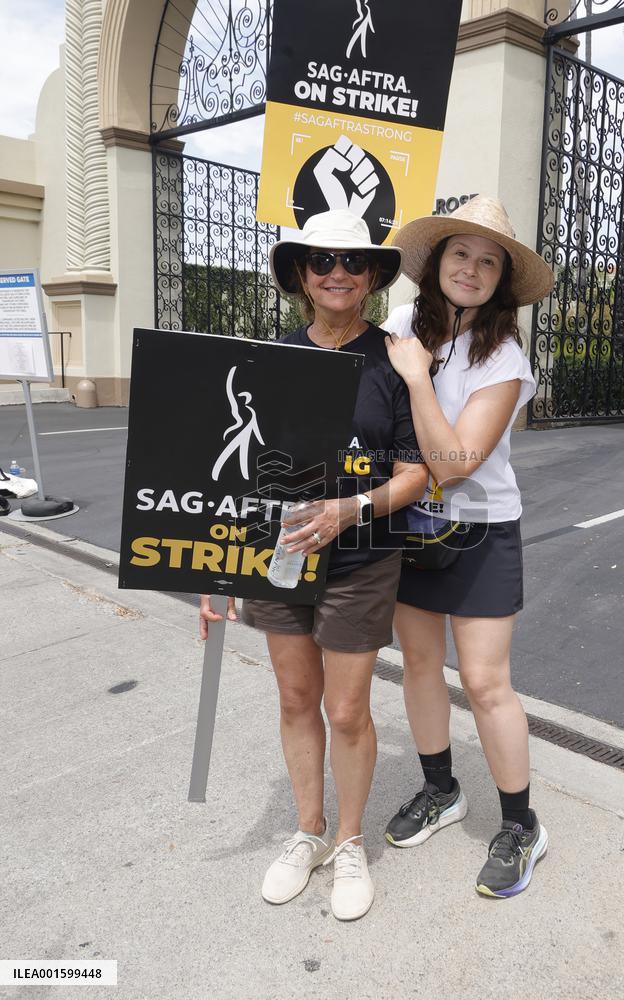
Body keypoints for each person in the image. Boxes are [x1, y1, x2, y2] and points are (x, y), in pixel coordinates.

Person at [200, 210, 427, 921]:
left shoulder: (394, 359)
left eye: (352, 262)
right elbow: (231, 474)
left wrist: (348, 510)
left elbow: (418, 473)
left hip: (360, 559)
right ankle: (308, 830)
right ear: (300, 273)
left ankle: (350, 842)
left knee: (346, 707)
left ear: (371, 277)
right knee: (297, 700)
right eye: (320, 259)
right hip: (278, 556)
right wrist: (218, 572)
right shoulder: (269, 359)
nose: (337, 272)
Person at [381, 195, 555, 898]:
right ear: (436, 263)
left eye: (488, 262)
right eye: (461, 254)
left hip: (481, 530)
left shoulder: (503, 357)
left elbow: (455, 463)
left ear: (501, 282)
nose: (472, 269)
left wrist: (418, 377)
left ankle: (520, 825)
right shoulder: (397, 325)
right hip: (406, 525)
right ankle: (439, 789)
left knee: (484, 683)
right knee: (419, 663)